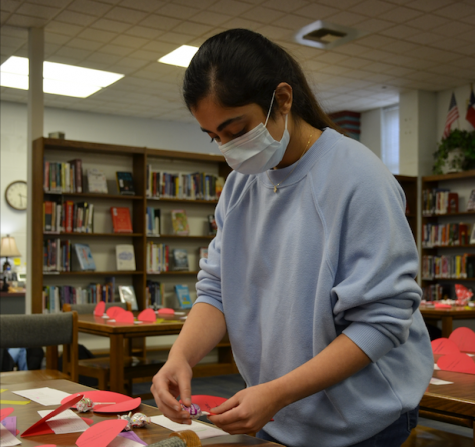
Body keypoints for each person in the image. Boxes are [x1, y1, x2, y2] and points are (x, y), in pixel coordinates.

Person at [151, 29, 433, 447]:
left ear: (282, 99)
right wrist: (180, 357)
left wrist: (279, 393)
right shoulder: (240, 188)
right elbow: (217, 291)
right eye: (216, 137)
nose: (229, 148)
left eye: (236, 128)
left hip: (361, 420)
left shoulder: (360, 178)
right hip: (279, 411)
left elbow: (381, 321)